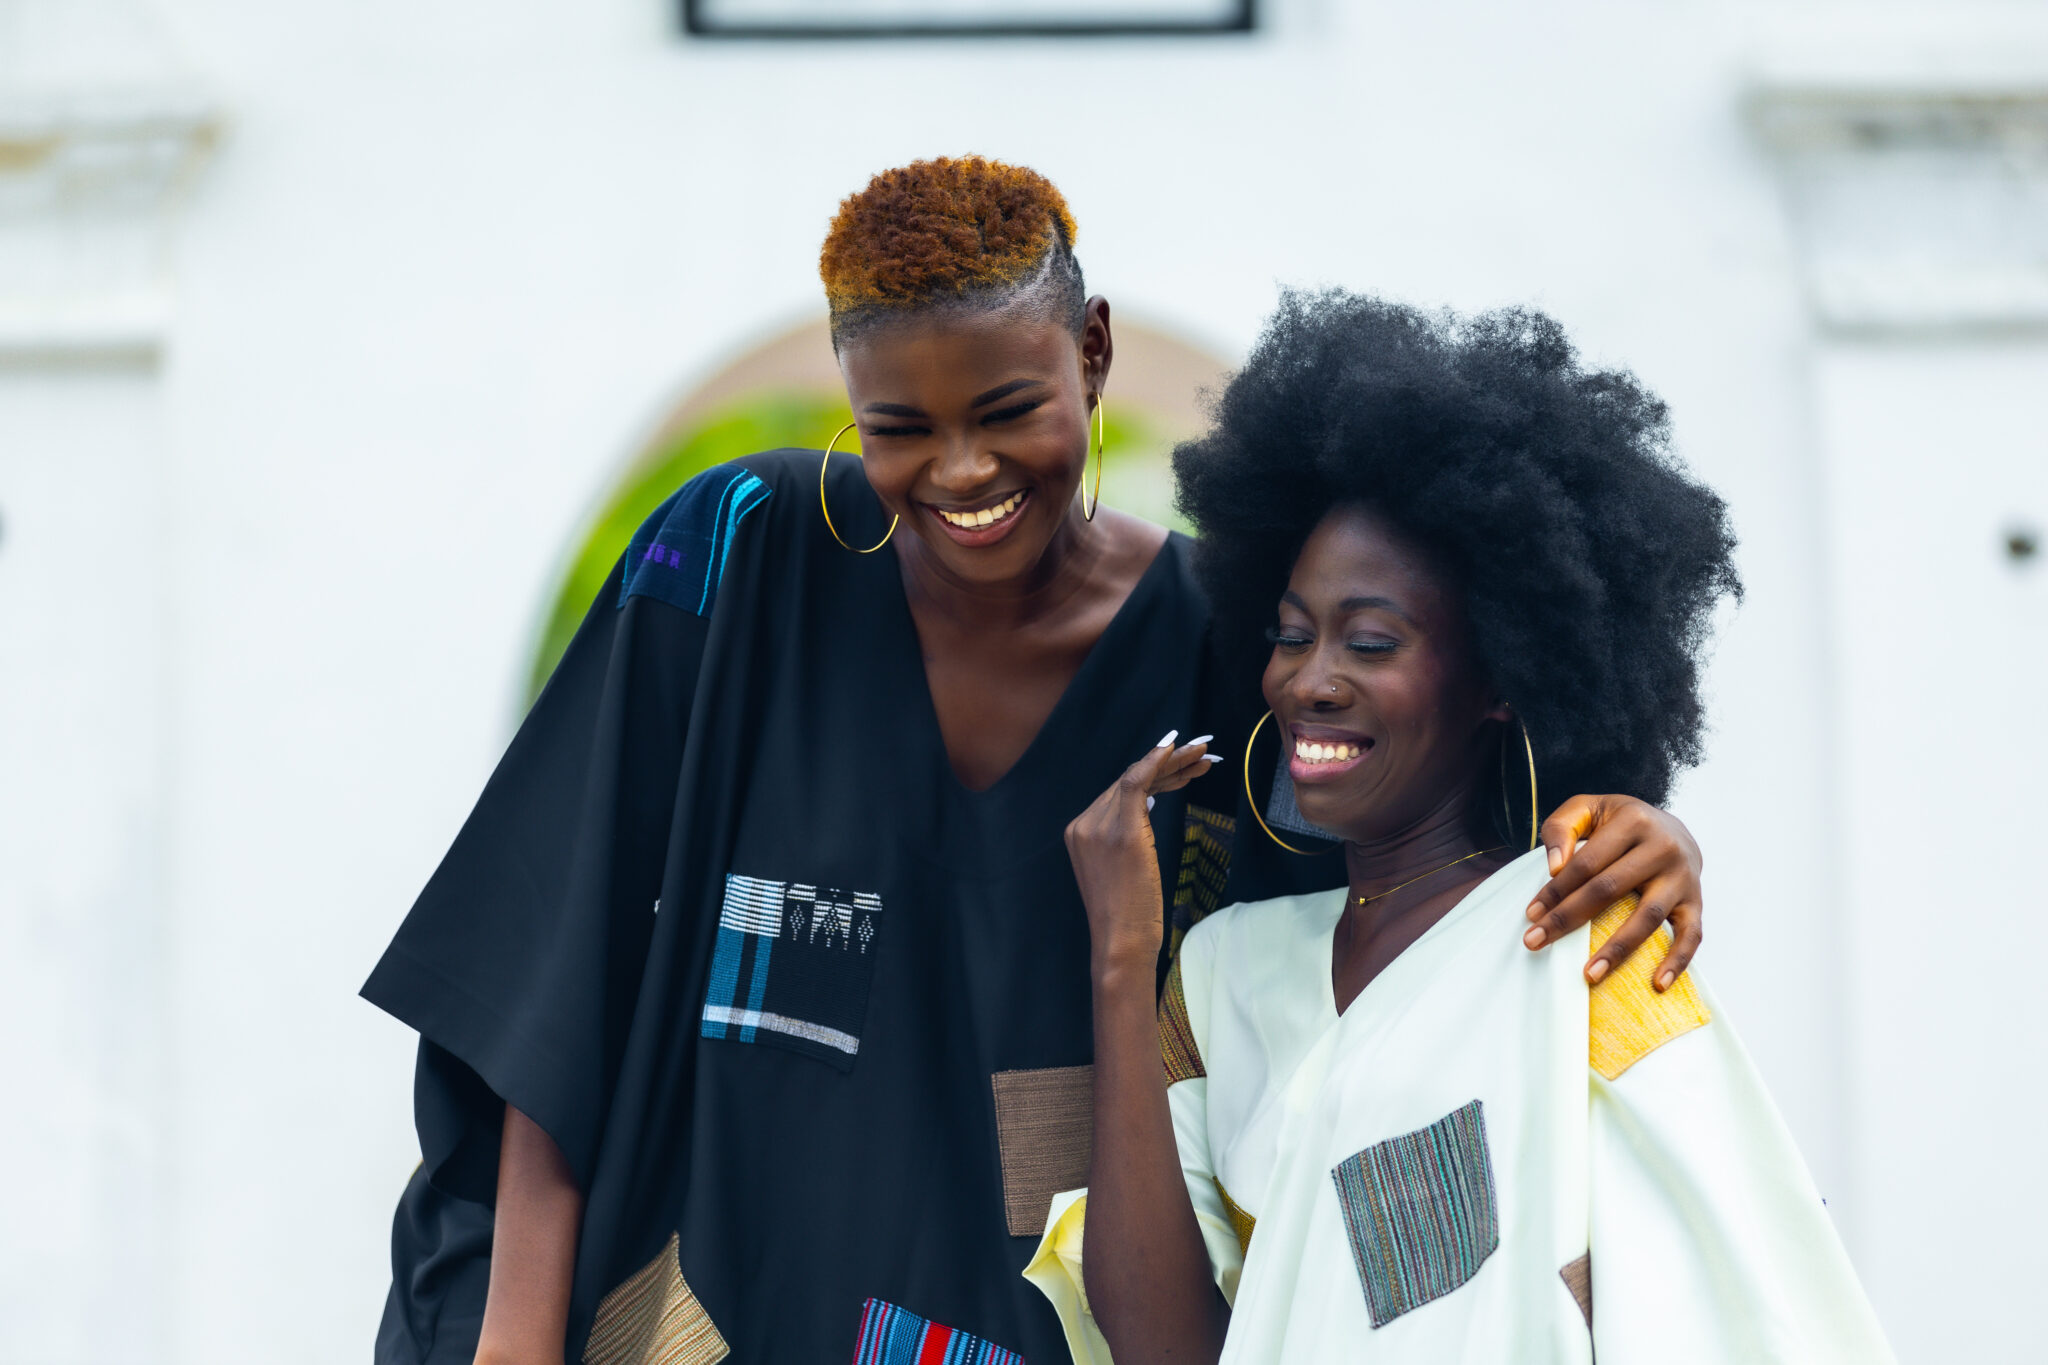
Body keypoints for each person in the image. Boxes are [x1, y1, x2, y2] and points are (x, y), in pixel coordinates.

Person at [363, 161, 1711, 1365]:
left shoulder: (1225, 648)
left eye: (1007, 408)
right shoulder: (740, 558)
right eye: (898, 427)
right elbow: (556, 958)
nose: (960, 470)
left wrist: (1623, 825)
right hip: (697, 1312)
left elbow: (1417, 883)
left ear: (1094, 350)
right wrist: (514, 1337)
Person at [1042, 292, 1893, 1364]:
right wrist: (1123, 958)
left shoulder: (1580, 941)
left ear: (1499, 675)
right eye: (1292, 636)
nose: (1309, 681)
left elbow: (1740, 1307)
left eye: (1369, 642)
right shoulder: (1220, 977)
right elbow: (1159, 1344)